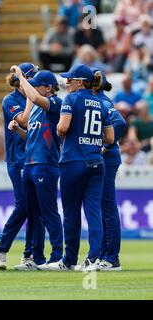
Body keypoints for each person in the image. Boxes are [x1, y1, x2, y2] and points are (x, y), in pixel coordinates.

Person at [52, 64, 114, 271]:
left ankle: (69, 260)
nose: (67, 83)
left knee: (71, 213)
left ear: (79, 82)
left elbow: (62, 127)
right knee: (93, 211)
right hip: (97, 161)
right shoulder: (101, 103)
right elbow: (111, 137)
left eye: (70, 80)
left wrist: (60, 130)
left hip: (73, 161)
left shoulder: (71, 99)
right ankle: (94, 258)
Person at [9, 68, 64, 270]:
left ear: (48, 88)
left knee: (49, 212)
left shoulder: (55, 103)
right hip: (30, 164)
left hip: (46, 164)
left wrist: (22, 78)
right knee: (33, 214)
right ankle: (36, 257)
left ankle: (57, 256)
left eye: (37, 85)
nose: (33, 89)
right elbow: (31, 137)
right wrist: (18, 130)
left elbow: (32, 95)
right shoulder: (36, 109)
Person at [0, 63, 39, 270]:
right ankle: (0, 251)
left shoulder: (39, 98)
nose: (33, 83)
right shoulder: (12, 99)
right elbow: (25, 121)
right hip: (18, 161)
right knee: (23, 206)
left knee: (37, 209)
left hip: (37, 160)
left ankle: (31, 255)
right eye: (29, 79)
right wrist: (31, 97)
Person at [91, 69, 127, 271]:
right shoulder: (98, 101)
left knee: (107, 205)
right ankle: (105, 254)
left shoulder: (102, 102)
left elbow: (120, 123)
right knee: (103, 206)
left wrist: (107, 146)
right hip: (105, 158)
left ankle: (111, 258)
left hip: (108, 158)